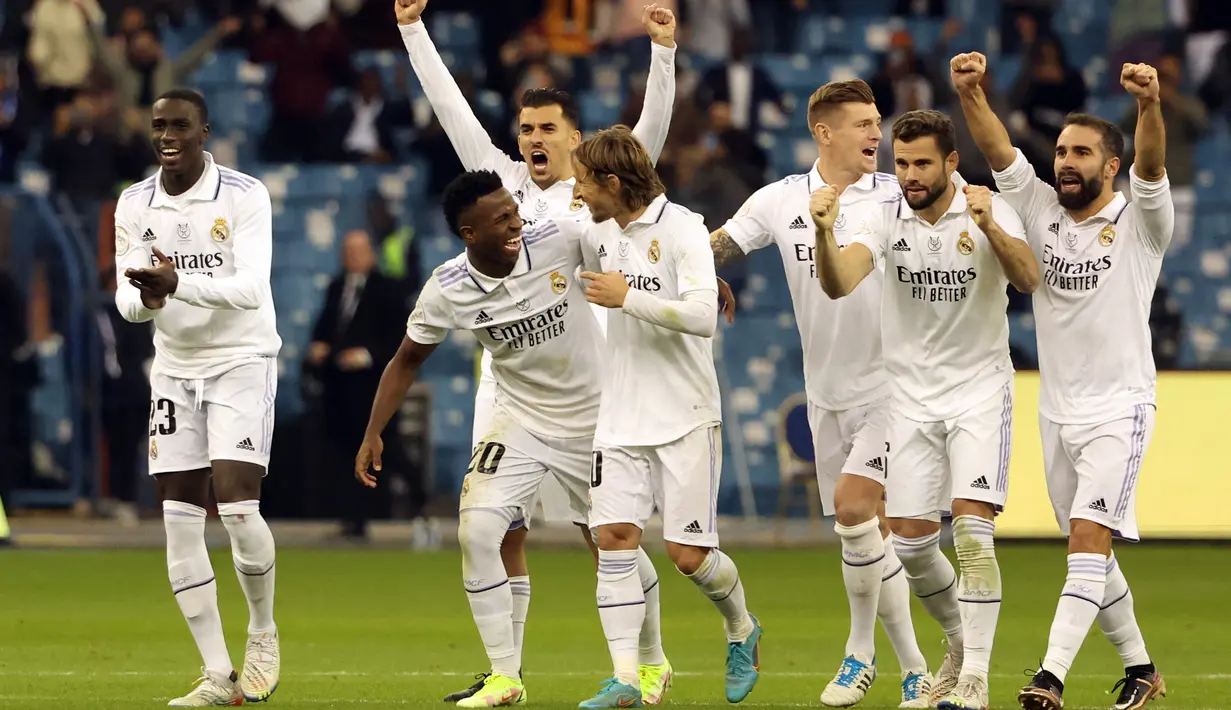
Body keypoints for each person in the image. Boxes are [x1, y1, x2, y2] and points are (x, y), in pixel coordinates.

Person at [395, 0, 680, 702]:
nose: (533, 140)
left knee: (602, 535)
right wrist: (411, 29)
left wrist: (663, 54)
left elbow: (648, 137)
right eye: (525, 129)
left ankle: (653, 654)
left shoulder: (592, 192)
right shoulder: (499, 184)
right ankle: (506, 674)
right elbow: (449, 104)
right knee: (498, 528)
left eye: (547, 129)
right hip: (510, 387)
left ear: (575, 137)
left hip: (592, 381)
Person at [353, 169, 630, 707]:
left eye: (514, 211)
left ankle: (650, 662)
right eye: (501, 218)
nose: (516, 222)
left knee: (615, 544)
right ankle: (506, 677)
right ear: (468, 233)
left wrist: (695, 279)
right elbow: (407, 359)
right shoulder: (449, 287)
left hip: (592, 418)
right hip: (521, 419)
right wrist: (374, 431)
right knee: (478, 530)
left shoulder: (559, 237)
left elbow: (632, 256)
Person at [951, 51, 1171, 710]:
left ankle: (1049, 676)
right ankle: (1141, 670)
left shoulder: (1138, 223)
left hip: (1119, 407)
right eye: (1062, 151)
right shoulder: (1039, 208)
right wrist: (969, 94)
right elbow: (997, 152)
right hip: (1056, 410)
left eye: (1081, 153)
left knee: (1086, 539)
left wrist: (1148, 105)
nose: (1065, 161)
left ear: (1109, 166)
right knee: (1090, 553)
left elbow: (1153, 167)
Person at [710, 78, 933, 708]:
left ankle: (861, 656)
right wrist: (703, 276)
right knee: (863, 534)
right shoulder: (780, 200)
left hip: (895, 386)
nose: (876, 134)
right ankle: (914, 667)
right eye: (863, 123)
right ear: (824, 132)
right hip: (826, 393)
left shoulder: (898, 197)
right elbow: (715, 247)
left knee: (857, 508)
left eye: (877, 121)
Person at [811, 110, 1039, 710]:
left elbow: (1029, 279)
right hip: (909, 399)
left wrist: (991, 227)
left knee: (971, 529)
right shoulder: (883, 214)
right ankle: (960, 644)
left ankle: (975, 681)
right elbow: (839, 283)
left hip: (979, 392)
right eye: (901, 162)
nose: (908, 175)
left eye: (921, 164)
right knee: (911, 544)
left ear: (951, 163)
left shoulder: (985, 205)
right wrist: (823, 234)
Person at [571, 126, 761, 708]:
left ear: (611, 182)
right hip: (621, 415)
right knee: (614, 541)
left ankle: (741, 628)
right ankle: (626, 678)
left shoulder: (683, 228)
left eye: (583, 183)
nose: (577, 194)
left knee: (689, 558)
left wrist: (628, 297)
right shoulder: (596, 230)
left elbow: (703, 318)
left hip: (684, 415)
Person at [115, 88, 281, 707]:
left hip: (241, 360)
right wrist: (151, 299)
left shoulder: (244, 194)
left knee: (238, 509)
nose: (168, 134)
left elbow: (249, 288)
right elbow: (126, 302)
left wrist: (176, 282)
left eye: (180, 124)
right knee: (179, 524)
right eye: (158, 124)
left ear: (204, 130)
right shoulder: (135, 202)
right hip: (174, 371)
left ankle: (262, 634)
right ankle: (218, 675)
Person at [307, 230, 412, 539]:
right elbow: (325, 328)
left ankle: (416, 500)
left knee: (386, 450)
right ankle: (353, 518)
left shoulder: (388, 290)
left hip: (373, 388)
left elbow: (400, 341)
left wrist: (366, 356)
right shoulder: (336, 287)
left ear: (371, 253)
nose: (352, 257)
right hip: (340, 388)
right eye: (347, 251)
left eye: (358, 250)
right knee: (342, 452)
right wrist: (319, 346)